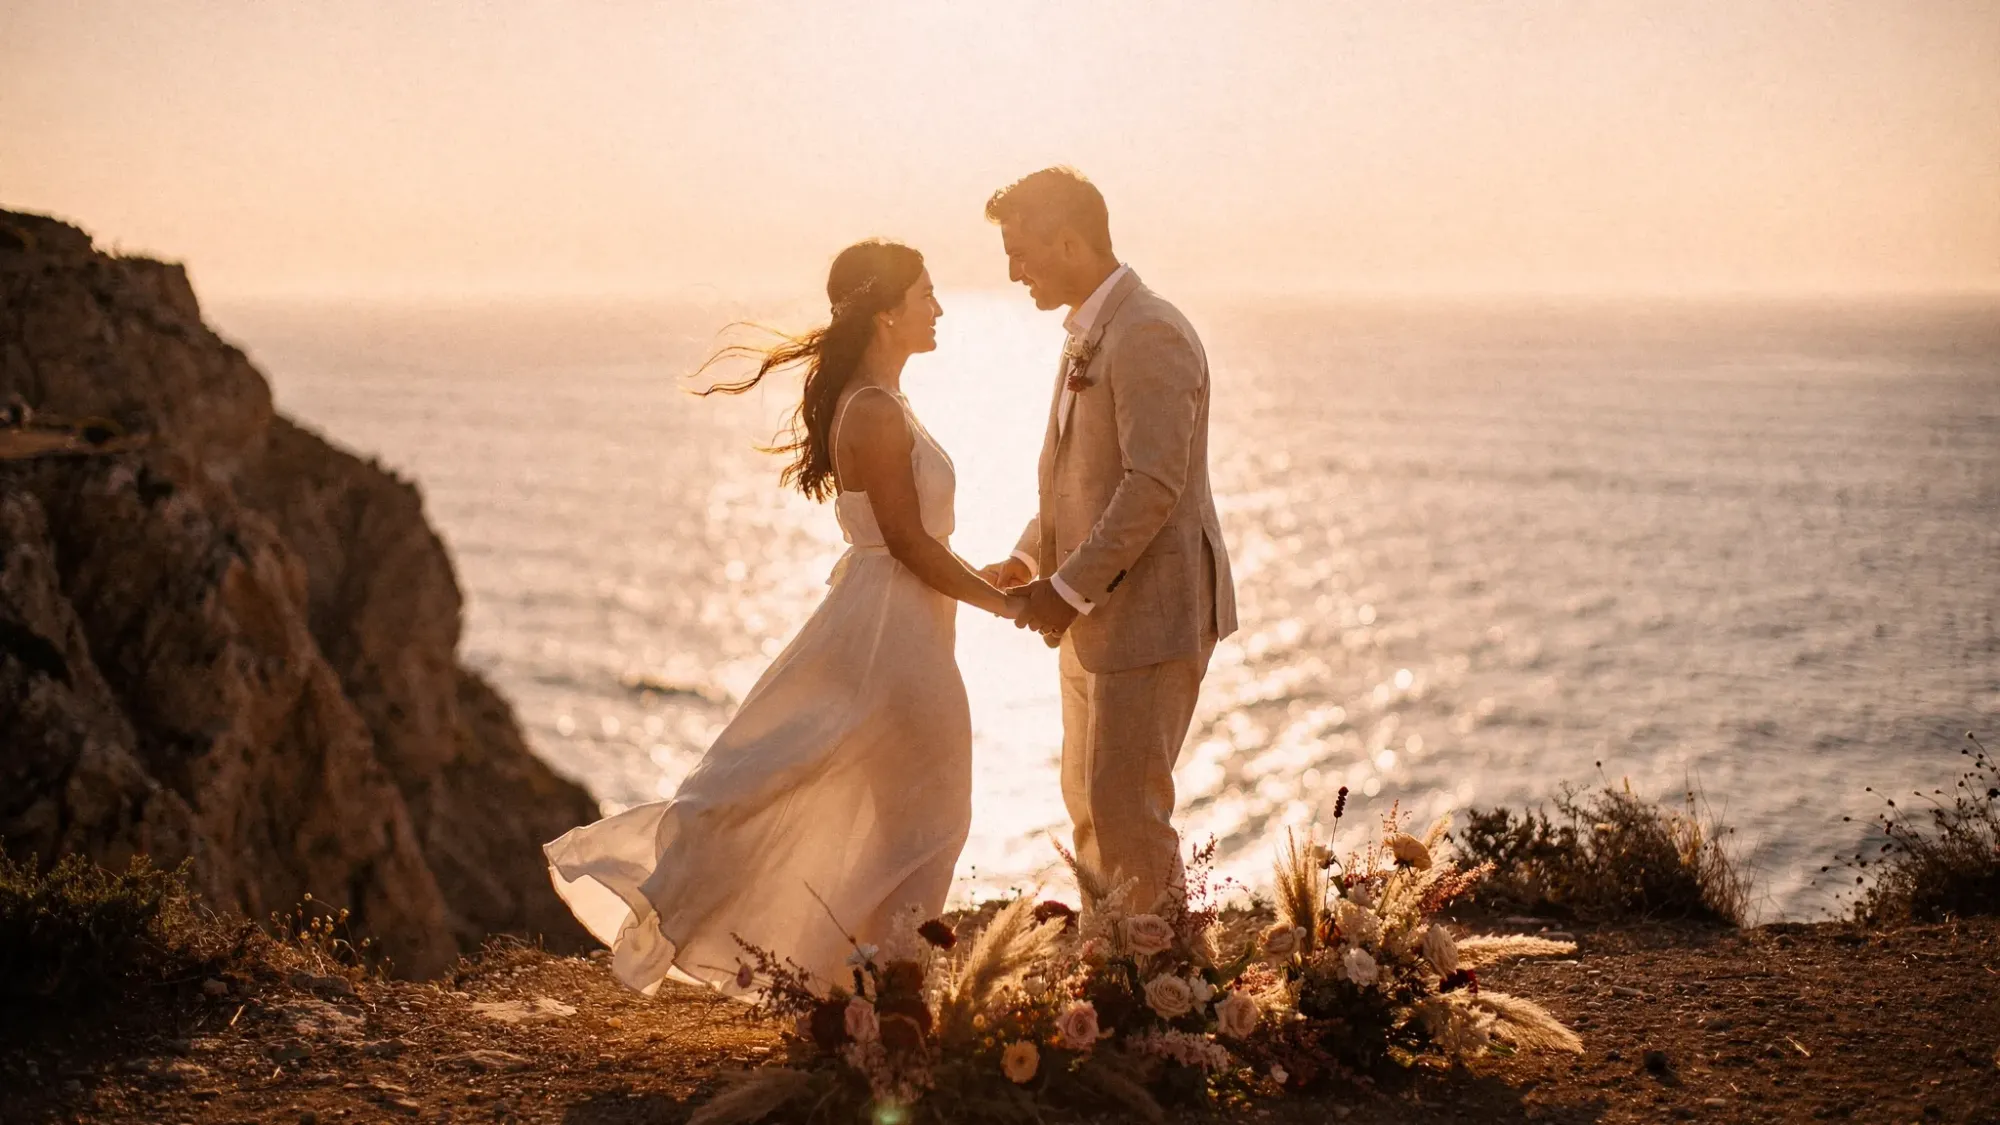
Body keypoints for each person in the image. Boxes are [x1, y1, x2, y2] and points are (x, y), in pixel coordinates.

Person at [545, 240, 1022, 995]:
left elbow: (917, 539)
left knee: (912, 812)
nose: (939, 308)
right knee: (932, 808)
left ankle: (872, 990)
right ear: (888, 309)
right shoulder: (871, 410)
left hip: (901, 623)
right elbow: (904, 542)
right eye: (926, 294)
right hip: (888, 636)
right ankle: (885, 992)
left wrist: (983, 574)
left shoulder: (885, 402)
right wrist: (1006, 603)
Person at [978, 168, 1238, 913]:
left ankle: (1166, 998)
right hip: (1093, 613)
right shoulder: (1086, 335)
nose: (1012, 270)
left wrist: (1063, 590)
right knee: (1090, 805)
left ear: (1069, 240)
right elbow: (1076, 478)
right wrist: (1032, 559)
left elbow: (1153, 484)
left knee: (1129, 812)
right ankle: (1110, 980)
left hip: (1152, 612)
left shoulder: (1149, 331)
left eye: (1020, 250)